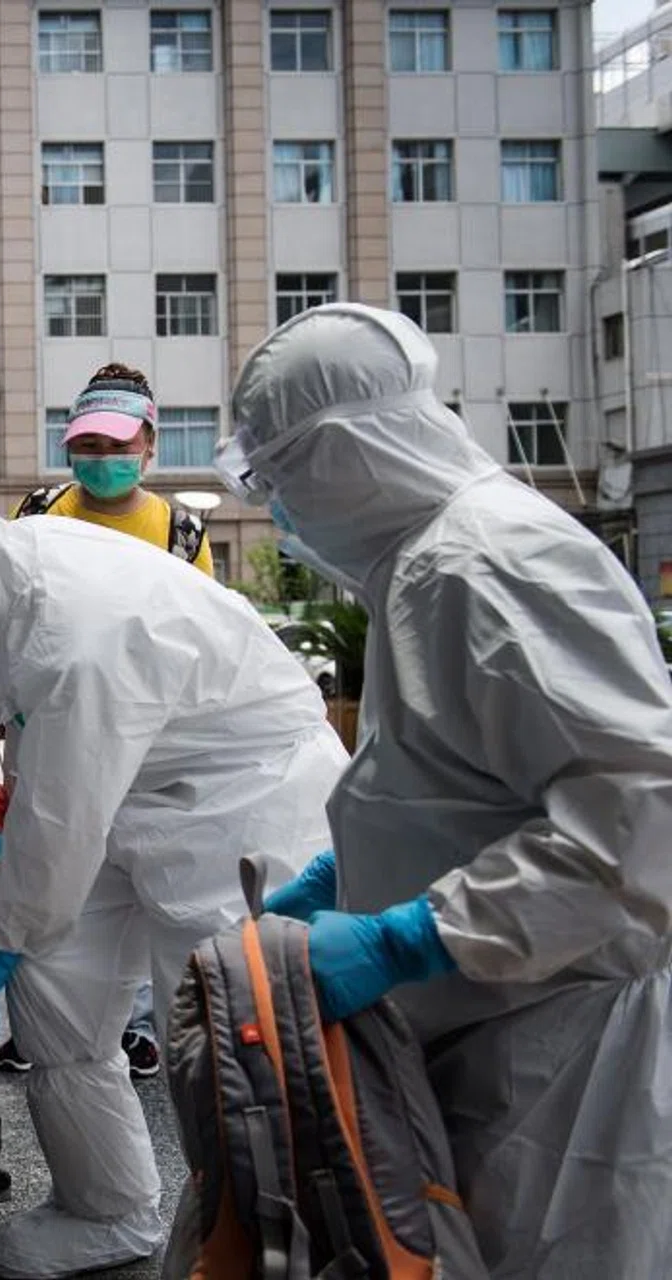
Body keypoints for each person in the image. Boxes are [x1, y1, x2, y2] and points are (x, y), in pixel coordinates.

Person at [220, 302, 672, 1279]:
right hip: (498, 1020)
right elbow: (466, 779)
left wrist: (405, 932)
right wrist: (362, 868)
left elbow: (638, 821)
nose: (281, 508)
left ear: (342, 454)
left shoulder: (490, 562)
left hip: (567, 1050)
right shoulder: (429, 566)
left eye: (278, 475)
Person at [0, 463, 347, 1279]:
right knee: (55, 984)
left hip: (243, 803)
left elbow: (55, 824)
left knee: (221, 1031)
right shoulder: (25, 549)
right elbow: (12, 643)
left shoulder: (81, 644)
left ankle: (266, 1241)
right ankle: (106, 1208)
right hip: (138, 785)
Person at [2, 362, 213, 1081]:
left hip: (150, 738)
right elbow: (6, 613)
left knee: (142, 876)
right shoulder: (39, 513)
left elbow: (203, 632)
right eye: (87, 445)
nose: (101, 461)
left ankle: (141, 1024)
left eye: (118, 446)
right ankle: (36, 1019)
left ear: (150, 446)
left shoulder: (180, 531)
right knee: (46, 865)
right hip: (52, 725)